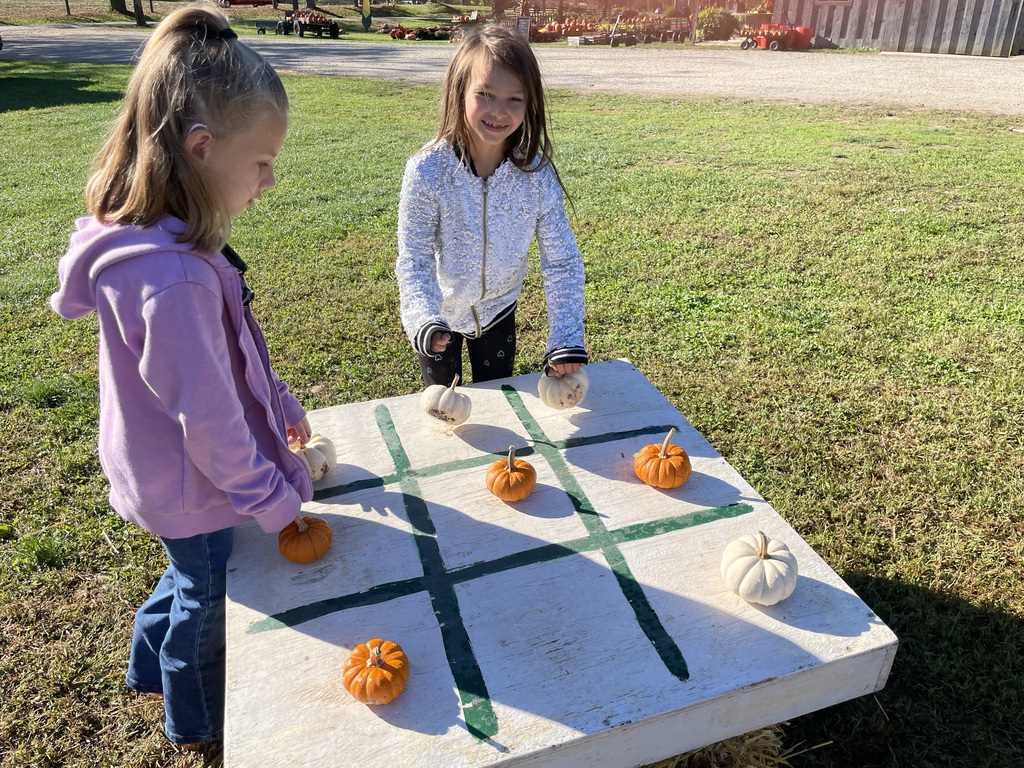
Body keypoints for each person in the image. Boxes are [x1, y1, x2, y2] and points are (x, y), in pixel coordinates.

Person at [48, 6, 311, 752]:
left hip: (163, 472)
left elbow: (230, 354)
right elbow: (209, 417)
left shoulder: (161, 237)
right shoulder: (170, 279)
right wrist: (273, 498)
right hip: (188, 481)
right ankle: (194, 719)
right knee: (207, 590)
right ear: (201, 147)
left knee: (186, 568)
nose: (269, 180)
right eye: (260, 162)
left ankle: (142, 664)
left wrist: (281, 398)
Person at [396, 24, 587, 387]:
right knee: (444, 412)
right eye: (485, 94)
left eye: (514, 99)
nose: (499, 112)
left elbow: (561, 261)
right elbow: (414, 257)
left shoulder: (536, 174)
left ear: (530, 102)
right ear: (459, 90)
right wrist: (423, 318)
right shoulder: (426, 169)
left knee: (498, 404)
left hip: (500, 313)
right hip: (440, 319)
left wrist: (566, 337)